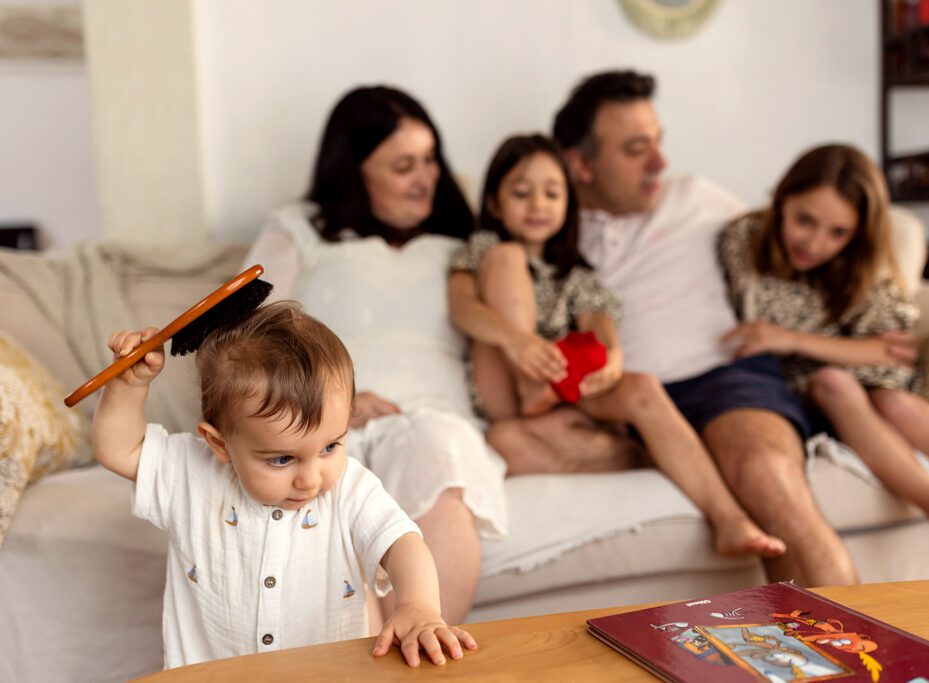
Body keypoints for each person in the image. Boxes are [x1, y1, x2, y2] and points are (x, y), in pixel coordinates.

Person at [470, 70, 859, 587]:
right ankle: (673, 453)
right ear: (579, 165)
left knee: (763, 470)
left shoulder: (699, 200)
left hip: (721, 384)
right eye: (636, 149)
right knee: (507, 444)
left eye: (658, 143)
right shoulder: (545, 229)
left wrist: (865, 347)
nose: (660, 162)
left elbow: (814, 242)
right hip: (613, 410)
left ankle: (859, 654)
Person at [448, 133, 785, 558]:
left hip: (561, 397)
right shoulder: (483, 251)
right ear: (494, 203)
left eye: (552, 193)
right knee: (507, 261)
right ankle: (548, 395)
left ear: (568, 204)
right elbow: (463, 309)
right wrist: (517, 341)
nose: (537, 204)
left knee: (636, 388)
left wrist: (614, 357)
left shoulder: (574, 274)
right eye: (520, 192)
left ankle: (729, 519)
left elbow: (599, 321)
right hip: (509, 387)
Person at [244, 86, 507, 625]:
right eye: (403, 165)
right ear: (354, 171)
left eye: (432, 159)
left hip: (436, 418)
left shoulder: (464, 243)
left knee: (438, 446)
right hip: (327, 420)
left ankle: (424, 648)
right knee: (326, 482)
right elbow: (243, 335)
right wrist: (328, 402)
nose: (427, 177)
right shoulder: (303, 229)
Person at [91, 301, 476, 669]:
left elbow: (402, 544)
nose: (311, 478)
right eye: (281, 459)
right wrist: (129, 384)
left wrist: (419, 606)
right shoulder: (190, 473)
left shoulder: (350, 489)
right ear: (220, 443)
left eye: (330, 446)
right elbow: (119, 449)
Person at [718, 143, 929, 557]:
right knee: (833, 382)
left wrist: (789, 338)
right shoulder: (743, 239)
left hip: (871, 385)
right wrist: (845, 349)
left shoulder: (861, 260)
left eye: (837, 232)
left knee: (897, 406)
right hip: (790, 392)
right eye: (804, 220)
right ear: (782, 199)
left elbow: (892, 352)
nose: (814, 242)